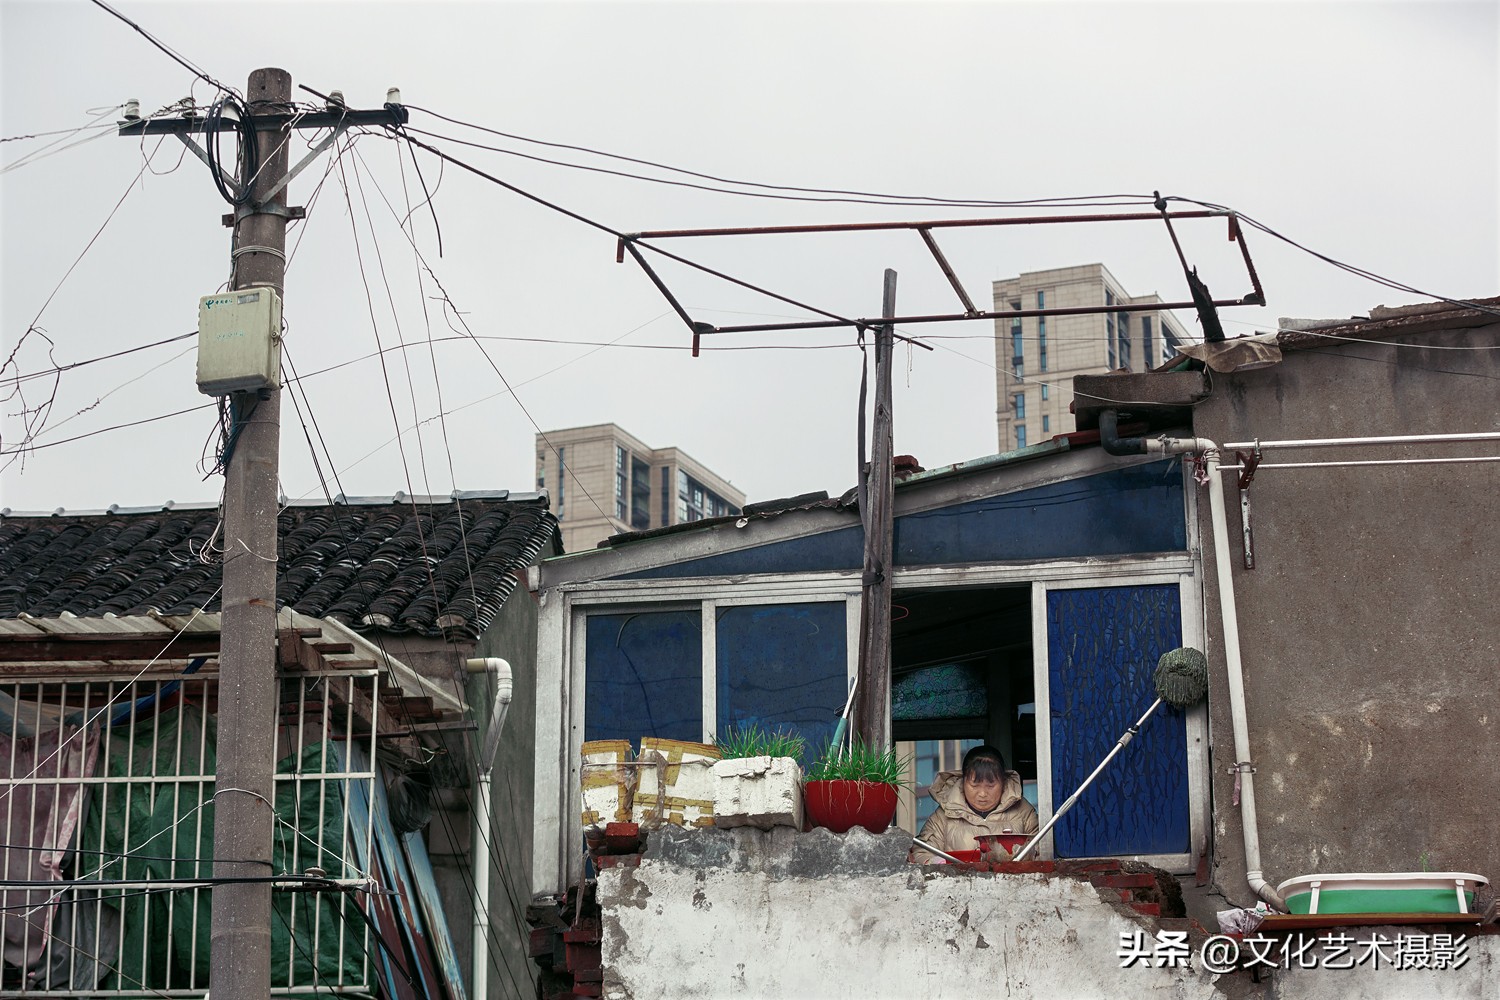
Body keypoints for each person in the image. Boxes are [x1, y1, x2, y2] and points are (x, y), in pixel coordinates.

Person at [912, 744, 1038, 863]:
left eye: (990, 785)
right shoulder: (943, 816)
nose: (982, 793)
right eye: (974, 785)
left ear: (1003, 782)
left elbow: (1043, 850)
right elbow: (921, 852)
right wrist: (939, 864)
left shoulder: (1024, 812)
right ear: (963, 781)